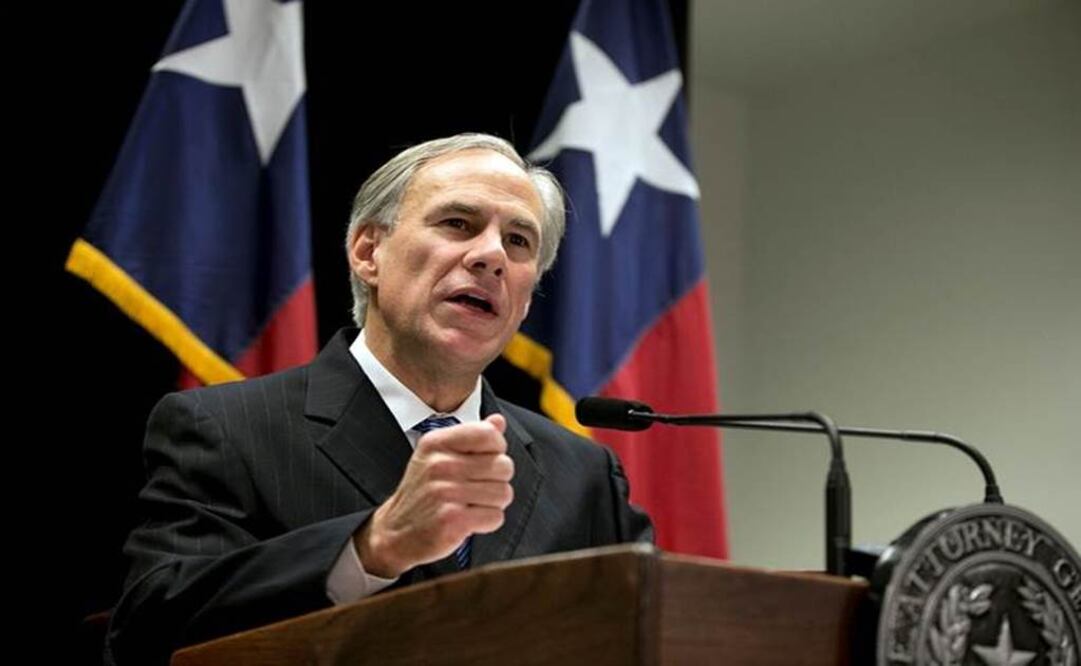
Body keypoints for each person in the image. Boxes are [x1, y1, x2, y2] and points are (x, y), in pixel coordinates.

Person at [104, 133, 653, 665]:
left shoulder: (583, 474)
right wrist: (372, 548)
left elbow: (653, 633)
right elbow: (148, 634)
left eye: (518, 241)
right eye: (458, 223)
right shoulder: (223, 428)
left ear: (528, 298)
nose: (491, 255)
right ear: (369, 252)